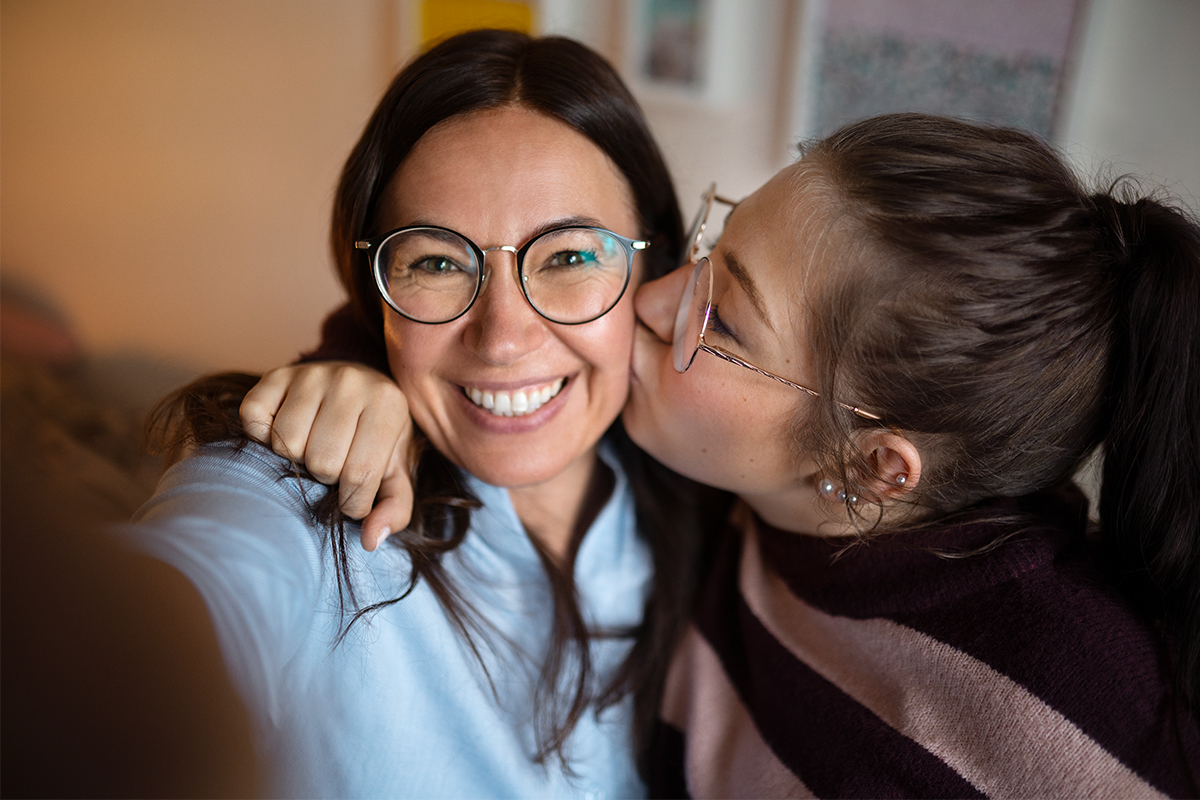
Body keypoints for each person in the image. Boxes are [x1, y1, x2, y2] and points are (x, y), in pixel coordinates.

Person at [250, 113, 1200, 796]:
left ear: (872, 468)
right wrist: (362, 369)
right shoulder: (748, 499)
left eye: (723, 320)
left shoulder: (1064, 718)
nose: (653, 300)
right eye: (708, 249)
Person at [121, 29, 723, 798]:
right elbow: (151, 625)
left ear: (654, 266)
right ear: (376, 295)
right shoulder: (300, 492)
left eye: (570, 257)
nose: (502, 338)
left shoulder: (711, 506)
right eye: (437, 262)